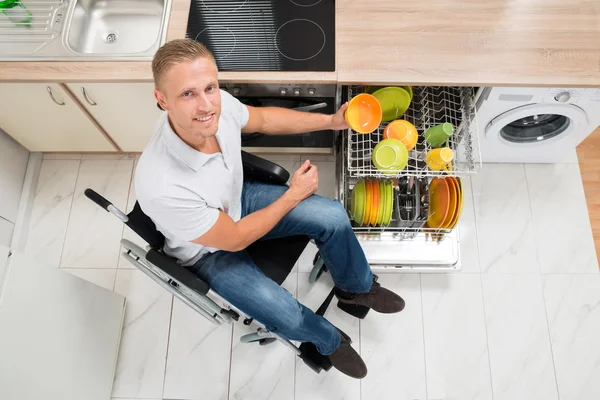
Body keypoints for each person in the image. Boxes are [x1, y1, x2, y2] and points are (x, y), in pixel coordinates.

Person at [135, 38, 405, 379]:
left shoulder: (215, 106)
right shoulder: (161, 184)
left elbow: (262, 119)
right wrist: (292, 195)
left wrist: (330, 122)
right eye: (188, 94)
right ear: (162, 100)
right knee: (287, 315)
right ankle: (328, 341)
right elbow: (232, 238)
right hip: (210, 250)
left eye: (210, 88)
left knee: (333, 216)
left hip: (237, 200)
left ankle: (355, 290)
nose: (206, 105)